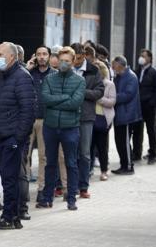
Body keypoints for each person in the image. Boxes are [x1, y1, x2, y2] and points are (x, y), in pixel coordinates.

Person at [0, 42, 36, 230]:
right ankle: (12, 217)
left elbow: (28, 110)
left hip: (12, 138)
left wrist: (17, 138)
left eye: (0, 54)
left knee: (10, 178)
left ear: (12, 57)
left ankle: (10, 217)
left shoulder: (22, 77)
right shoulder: (1, 76)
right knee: (6, 178)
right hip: (0, 136)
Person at [36, 46, 85, 211]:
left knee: (71, 163)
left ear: (72, 62)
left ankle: (71, 198)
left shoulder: (79, 81)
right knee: (50, 163)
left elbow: (75, 103)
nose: (63, 63)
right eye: (61, 60)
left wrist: (57, 102)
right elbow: (45, 99)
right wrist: (65, 98)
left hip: (70, 128)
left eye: (67, 61)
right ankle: (47, 198)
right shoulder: (50, 79)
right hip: (50, 127)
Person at [70, 43, 104, 199]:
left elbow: (99, 92)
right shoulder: (67, 68)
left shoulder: (93, 70)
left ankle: (83, 186)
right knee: (69, 153)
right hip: (68, 115)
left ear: (83, 56)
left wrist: (82, 92)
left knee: (84, 153)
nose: (75, 61)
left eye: (77, 58)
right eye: (73, 58)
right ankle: (68, 185)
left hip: (86, 117)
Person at [25, 46, 58, 204]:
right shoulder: (28, 73)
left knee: (43, 157)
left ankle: (42, 189)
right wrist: (27, 68)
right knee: (25, 155)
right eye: (39, 54)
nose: (42, 57)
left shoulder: (55, 75)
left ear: (50, 57)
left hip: (46, 120)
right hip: (28, 119)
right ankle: (23, 188)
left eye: (45, 54)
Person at [111, 56, 141, 175]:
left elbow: (127, 95)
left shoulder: (131, 77)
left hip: (127, 115)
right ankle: (123, 165)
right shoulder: (119, 76)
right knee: (119, 141)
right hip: (119, 114)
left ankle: (129, 166)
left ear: (120, 65)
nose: (112, 67)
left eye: (114, 65)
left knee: (124, 142)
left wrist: (112, 98)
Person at [135, 49, 156, 164]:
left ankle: (153, 153)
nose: (141, 58)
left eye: (144, 56)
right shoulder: (137, 71)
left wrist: (152, 102)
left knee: (151, 130)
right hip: (138, 105)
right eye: (140, 55)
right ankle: (136, 153)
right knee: (137, 130)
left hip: (149, 106)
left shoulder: (155, 73)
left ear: (150, 58)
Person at [92, 61, 116, 181]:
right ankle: (88, 170)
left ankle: (104, 170)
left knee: (102, 147)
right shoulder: (90, 83)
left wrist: (98, 98)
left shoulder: (109, 84)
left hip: (103, 119)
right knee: (89, 147)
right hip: (90, 118)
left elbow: (112, 102)